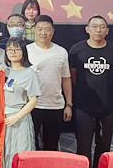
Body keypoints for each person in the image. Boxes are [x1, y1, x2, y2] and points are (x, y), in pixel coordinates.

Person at [69, 15, 113, 168]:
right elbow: (73, 75)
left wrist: (106, 86)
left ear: (107, 30)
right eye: (94, 26)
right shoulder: (76, 50)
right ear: (87, 29)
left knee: (104, 145)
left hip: (108, 105)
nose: (98, 30)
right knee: (83, 145)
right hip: (84, 105)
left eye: (102, 27)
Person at [26, 15, 72, 151]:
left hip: (55, 105)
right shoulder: (26, 50)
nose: (43, 32)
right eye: (40, 29)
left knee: (51, 146)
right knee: (30, 145)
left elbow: (66, 79)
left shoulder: (61, 52)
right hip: (32, 105)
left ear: (53, 31)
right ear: (35, 31)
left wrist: (69, 104)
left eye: (47, 29)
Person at [0, 38, 41, 168]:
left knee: (19, 153)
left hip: (19, 119)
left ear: (23, 52)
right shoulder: (3, 71)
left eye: (16, 49)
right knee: (3, 154)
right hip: (1, 119)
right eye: (9, 49)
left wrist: (16, 117)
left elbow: (33, 100)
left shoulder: (29, 73)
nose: (13, 52)